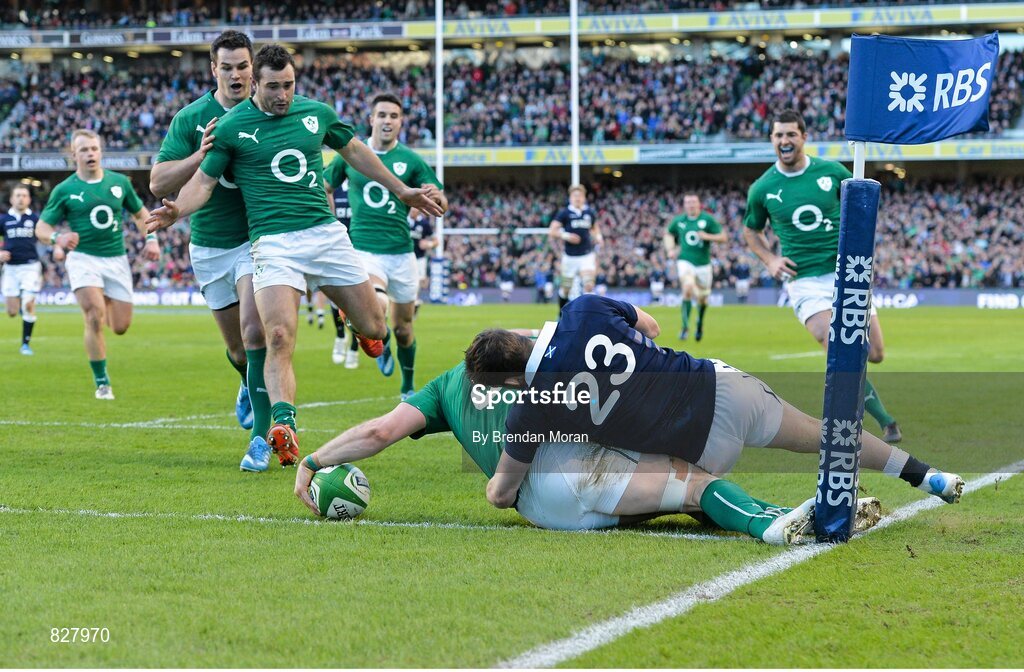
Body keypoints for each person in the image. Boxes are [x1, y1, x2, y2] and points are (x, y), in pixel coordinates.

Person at [146, 45, 445, 467]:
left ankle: (352, 321)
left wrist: (402, 189)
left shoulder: (316, 113)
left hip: (325, 236)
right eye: (273, 87)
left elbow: (355, 150)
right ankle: (282, 423)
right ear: (256, 85)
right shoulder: (231, 127)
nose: (282, 95)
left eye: (288, 85)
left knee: (376, 326)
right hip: (271, 245)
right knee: (277, 336)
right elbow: (205, 183)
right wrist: (178, 209)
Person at [293, 355, 882, 544]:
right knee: (696, 483)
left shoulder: (444, 389)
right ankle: (779, 526)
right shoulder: (545, 369)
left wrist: (314, 460)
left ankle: (791, 517)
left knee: (683, 498)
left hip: (539, 507)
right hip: (570, 470)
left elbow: (378, 434)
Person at [463, 295, 964, 516]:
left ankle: (779, 515)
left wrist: (494, 485)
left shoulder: (532, 407)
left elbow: (503, 492)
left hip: (700, 449)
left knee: (660, 489)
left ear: (509, 381)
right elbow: (653, 327)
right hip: (721, 389)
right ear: (517, 335)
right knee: (825, 436)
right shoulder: (583, 308)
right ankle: (924, 475)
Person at [743, 109, 902, 443]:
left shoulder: (831, 172)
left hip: (846, 272)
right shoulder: (762, 188)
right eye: (778, 135)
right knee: (836, 346)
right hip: (804, 282)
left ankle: (878, 416)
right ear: (771, 140)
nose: (784, 141)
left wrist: (860, 248)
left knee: (875, 353)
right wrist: (770, 259)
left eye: (790, 134)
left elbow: (862, 210)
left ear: (803, 137)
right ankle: (886, 422)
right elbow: (751, 232)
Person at [149, 29, 268, 470]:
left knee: (257, 332)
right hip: (209, 246)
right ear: (213, 69)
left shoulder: (268, 110)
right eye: (227, 67)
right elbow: (158, 183)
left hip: (257, 241)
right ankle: (246, 381)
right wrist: (199, 155)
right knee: (239, 350)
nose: (236, 75)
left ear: (252, 68)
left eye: (243, 66)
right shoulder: (192, 117)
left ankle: (261, 439)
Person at [323, 93, 447, 401]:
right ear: (372, 119)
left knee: (404, 329)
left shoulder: (412, 160)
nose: (387, 121)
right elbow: (324, 186)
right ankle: (377, 332)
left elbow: (442, 202)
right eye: (382, 115)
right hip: (364, 251)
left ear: (401, 122)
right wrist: (333, 224)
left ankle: (406, 383)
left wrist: (436, 196)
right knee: (376, 306)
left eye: (393, 116)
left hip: (402, 253)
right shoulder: (352, 155)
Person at [35, 129, 159, 400]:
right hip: (83, 259)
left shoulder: (119, 183)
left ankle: (104, 299)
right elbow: (42, 227)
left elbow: (141, 214)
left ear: (100, 151)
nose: (90, 154)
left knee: (120, 326)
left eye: (94, 148)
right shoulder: (64, 190)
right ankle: (102, 383)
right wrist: (59, 236)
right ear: (74, 155)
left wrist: (151, 239)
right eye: (84, 150)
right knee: (93, 315)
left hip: (116, 260)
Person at [665, 193, 727, 341]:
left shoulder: (707, 220)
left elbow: (723, 238)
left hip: (704, 265)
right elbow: (668, 234)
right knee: (687, 288)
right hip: (685, 261)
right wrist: (671, 249)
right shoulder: (679, 221)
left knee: (703, 299)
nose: (691, 205)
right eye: (688, 202)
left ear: (699, 204)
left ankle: (699, 323)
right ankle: (685, 326)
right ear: (684, 205)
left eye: (693, 202)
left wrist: (708, 236)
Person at [1, 185, 42, 355]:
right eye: (17, 195)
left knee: (28, 305)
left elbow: (46, 236)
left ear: (29, 200)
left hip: (30, 266)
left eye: (24, 195)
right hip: (10, 269)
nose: (21, 198)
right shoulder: (3, 220)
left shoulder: (35, 219)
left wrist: (57, 247)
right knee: (11, 311)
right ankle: (19, 304)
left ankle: (25, 344)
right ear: (11, 199)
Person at [549, 184, 603, 311]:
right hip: (570, 257)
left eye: (580, 196)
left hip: (586, 255)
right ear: (570, 197)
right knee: (566, 289)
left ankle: (587, 315)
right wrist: (566, 236)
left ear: (584, 197)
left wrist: (599, 237)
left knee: (589, 285)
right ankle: (561, 313)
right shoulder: (565, 213)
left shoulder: (589, 212)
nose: (577, 198)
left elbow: (594, 227)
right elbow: (552, 231)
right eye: (575, 196)